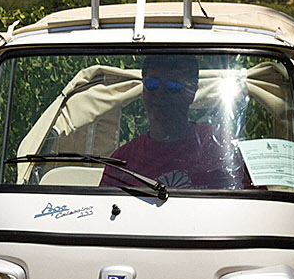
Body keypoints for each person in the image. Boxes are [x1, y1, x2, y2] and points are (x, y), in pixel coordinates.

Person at [101, 54, 249, 190]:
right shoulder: (122, 161)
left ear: (192, 92)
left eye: (173, 87)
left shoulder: (221, 146)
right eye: (152, 84)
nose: (160, 93)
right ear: (143, 90)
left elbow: (254, 206)